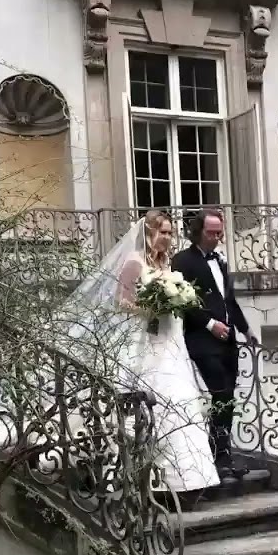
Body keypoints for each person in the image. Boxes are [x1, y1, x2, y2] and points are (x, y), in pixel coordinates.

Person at [53, 209, 222, 507]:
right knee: (153, 404)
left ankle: (188, 480)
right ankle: (149, 479)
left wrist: (179, 300)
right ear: (149, 232)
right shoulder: (134, 261)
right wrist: (152, 308)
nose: (167, 238)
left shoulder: (167, 264)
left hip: (171, 346)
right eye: (163, 232)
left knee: (182, 401)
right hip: (147, 346)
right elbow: (121, 300)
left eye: (170, 233)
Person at [170, 207, 255, 490]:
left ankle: (222, 454)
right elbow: (182, 302)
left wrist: (246, 329)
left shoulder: (220, 260)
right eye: (211, 233)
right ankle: (219, 458)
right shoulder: (182, 260)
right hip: (202, 340)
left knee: (228, 398)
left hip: (229, 340)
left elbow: (230, 301)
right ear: (197, 231)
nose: (217, 238)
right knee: (220, 392)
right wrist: (209, 324)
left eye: (220, 233)